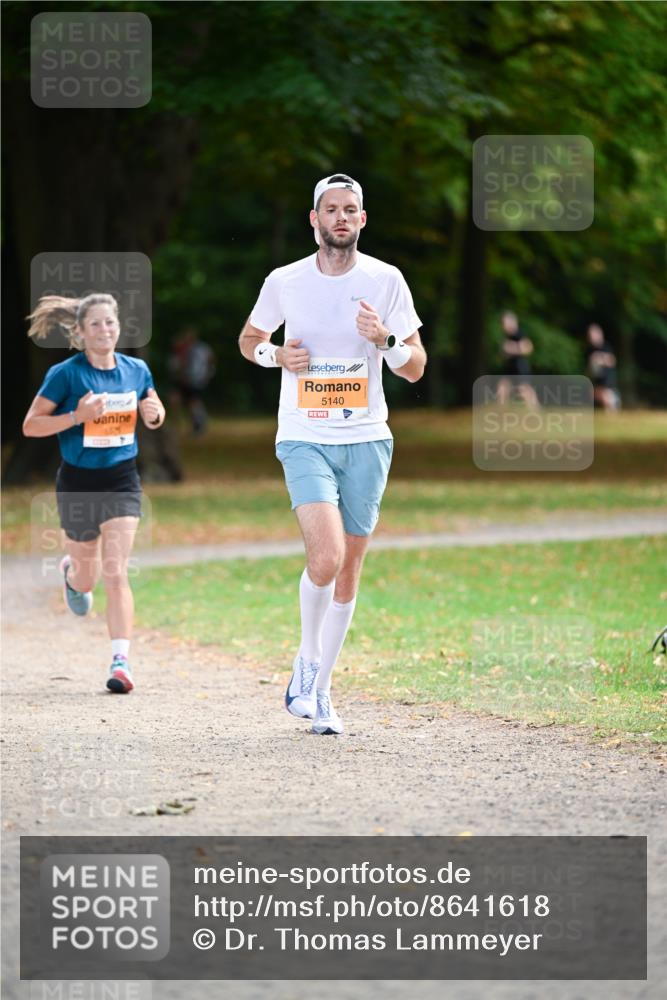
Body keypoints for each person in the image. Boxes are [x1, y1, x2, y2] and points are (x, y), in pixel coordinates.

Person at [239, 173, 426, 735]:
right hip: (304, 434)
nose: (341, 217)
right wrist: (277, 358)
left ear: (362, 221)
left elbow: (416, 365)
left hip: (367, 438)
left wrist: (385, 341)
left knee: (349, 571)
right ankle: (306, 660)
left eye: (350, 210)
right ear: (314, 220)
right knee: (326, 558)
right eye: (331, 209)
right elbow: (250, 341)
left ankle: (321, 692)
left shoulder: (386, 280)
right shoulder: (285, 281)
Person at [22, 293, 166, 693]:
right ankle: (72, 575)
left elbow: (152, 403)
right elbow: (31, 426)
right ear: (81, 332)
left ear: (119, 327)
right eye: (97, 324)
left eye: (111, 323)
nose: (106, 330)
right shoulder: (66, 375)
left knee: (117, 571)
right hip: (78, 483)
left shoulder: (136, 369)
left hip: (122, 479)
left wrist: (156, 414)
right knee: (88, 580)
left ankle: (121, 662)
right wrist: (77, 417)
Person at [168, 327, 216, 434]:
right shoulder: (186, 349)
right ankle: (181, 425)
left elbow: (209, 361)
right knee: (182, 401)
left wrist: (208, 374)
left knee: (193, 402)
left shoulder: (199, 349)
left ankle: (199, 424)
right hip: (185, 379)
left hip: (194, 379)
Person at [496, 310, 539, 407]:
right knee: (503, 387)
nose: (503, 325)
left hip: (520, 366)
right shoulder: (508, 335)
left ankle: (535, 410)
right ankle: (501, 411)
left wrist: (511, 348)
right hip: (511, 365)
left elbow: (528, 348)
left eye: (505, 322)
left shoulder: (519, 333)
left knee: (524, 389)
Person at [585, 323, 620, 410]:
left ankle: (613, 402)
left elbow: (612, 360)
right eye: (590, 335)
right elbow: (589, 370)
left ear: (599, 334)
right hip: (597, 382)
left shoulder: (606, 346)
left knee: (605, 397)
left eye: (593, 334)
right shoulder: (590, 350)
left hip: (607, 383)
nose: (592, 337)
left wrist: (599, 359)